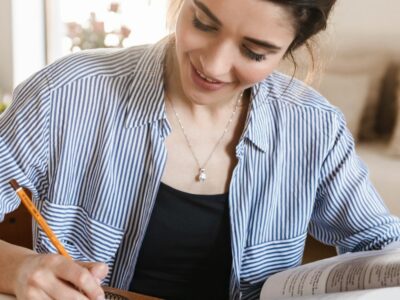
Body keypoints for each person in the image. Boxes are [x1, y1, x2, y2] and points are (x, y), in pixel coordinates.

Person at [1, 0, 400, 299]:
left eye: (254, 51)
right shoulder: (66, 94)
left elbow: (382, 249)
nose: (213, 64)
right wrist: (19, 268)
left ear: (292, 47)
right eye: (203, 23)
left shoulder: (314, 126)